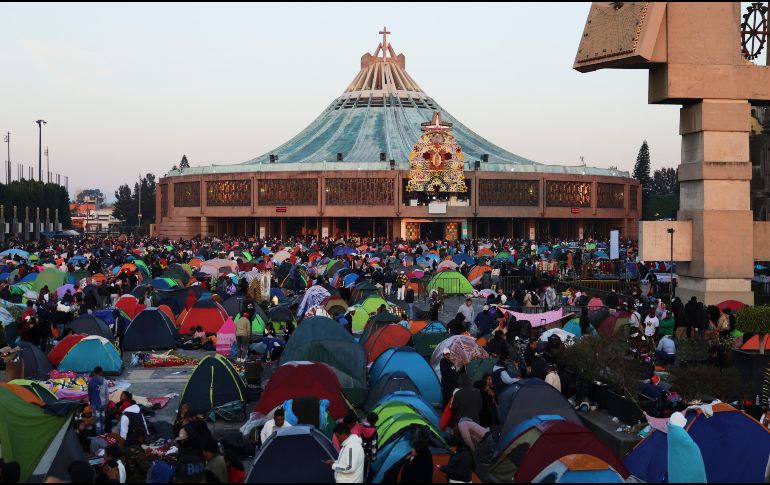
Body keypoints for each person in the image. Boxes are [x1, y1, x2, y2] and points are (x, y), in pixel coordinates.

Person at [87, 366, 106, 435]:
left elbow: (89, 393)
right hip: (103, 403)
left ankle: (99, 436)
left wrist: (90, 402)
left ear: (94, 373)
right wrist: (107, 402)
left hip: (95, 404)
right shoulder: (104, 381)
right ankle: (103, 434)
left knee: (97, 421)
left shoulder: (91, 382)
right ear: (101, 372)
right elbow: (106, 393)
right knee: (102, 419)